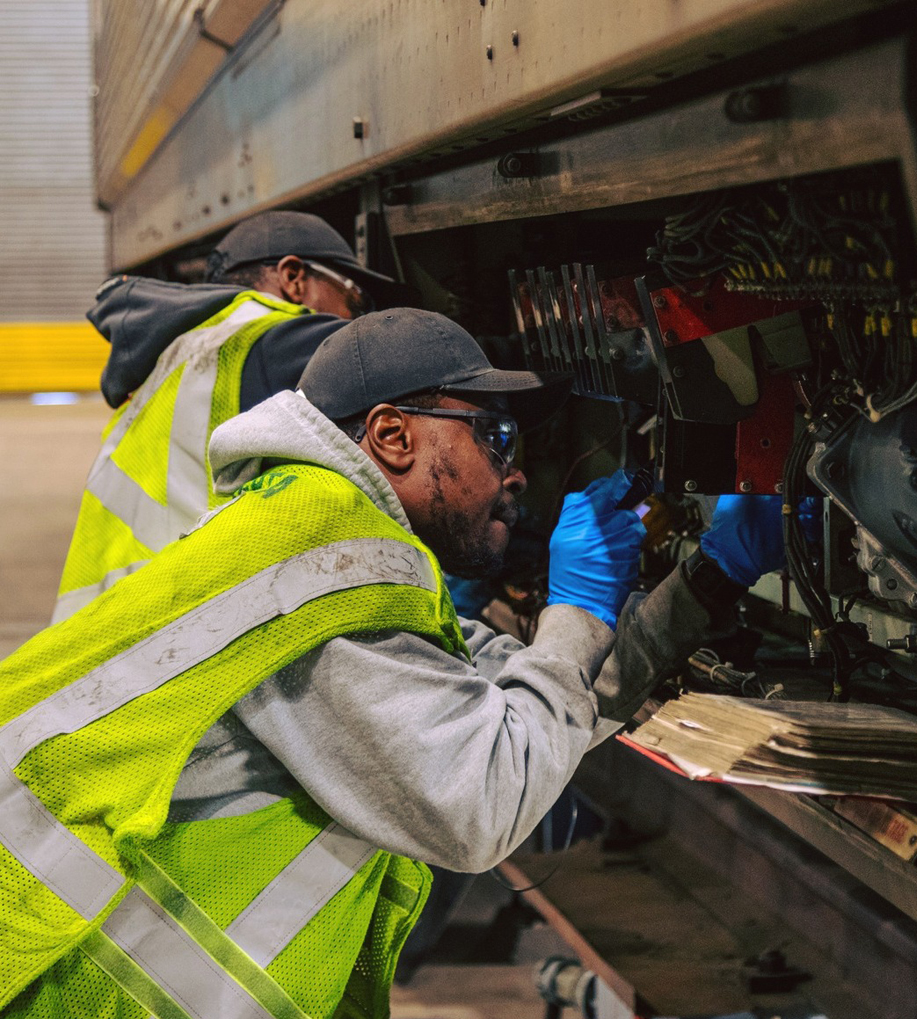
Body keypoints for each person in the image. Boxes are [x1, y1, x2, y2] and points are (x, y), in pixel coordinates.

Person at [0, 308, 784, 1017]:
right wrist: (575, 609)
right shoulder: (323, 574)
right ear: (393, 435)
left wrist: (710, 574)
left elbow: (538, 711)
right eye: (493, 437)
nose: (513, 474)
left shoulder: (317, 548)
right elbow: (482, 796)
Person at [52, 209, 412, 622]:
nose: (353, 319)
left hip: (104, 615)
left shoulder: (186, 348)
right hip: (167, 620)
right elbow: (391, 355)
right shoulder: (271, 336)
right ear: (294, 278)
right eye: (356, 300)